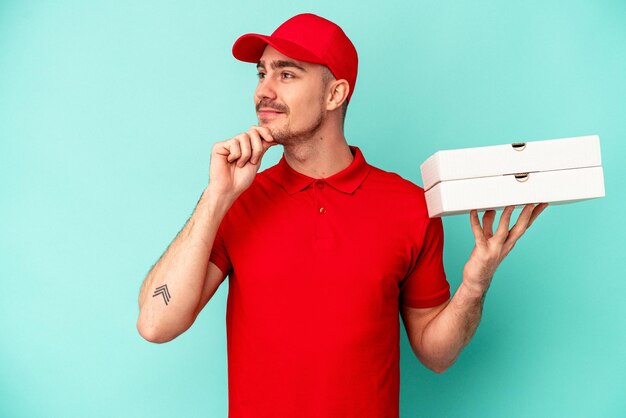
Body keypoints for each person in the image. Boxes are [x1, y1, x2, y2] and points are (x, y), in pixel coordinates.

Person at [136, 13, 548, 418]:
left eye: (287, 74)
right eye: (261, 73)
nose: (264, 89)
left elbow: (435, 354)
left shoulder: (409, 205)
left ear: (335, 94)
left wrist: (474, 285)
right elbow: (156, 324)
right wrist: (216, 196)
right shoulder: (237, 201)